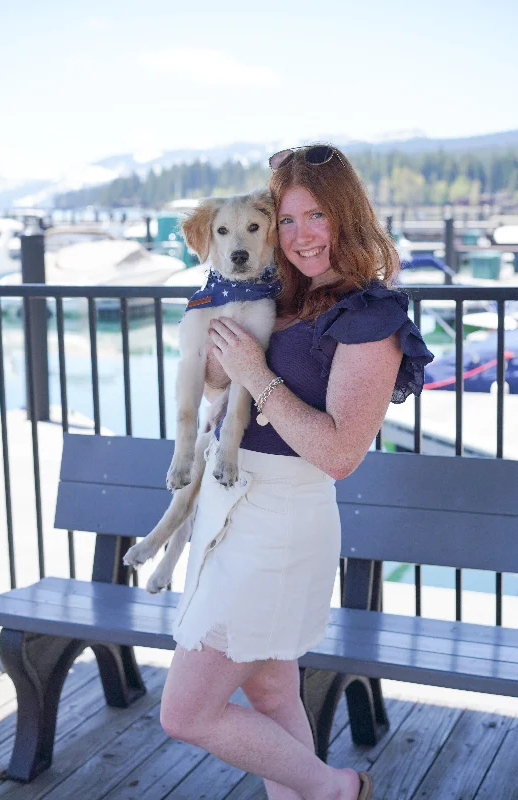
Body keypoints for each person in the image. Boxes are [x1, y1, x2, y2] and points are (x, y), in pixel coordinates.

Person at [159, 144, 434, 800]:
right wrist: (219, 364)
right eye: (285, 220)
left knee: (186, 713)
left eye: (316, 217)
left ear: (347, 216)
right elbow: (213, 380)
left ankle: (341, 788)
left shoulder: (370, 320)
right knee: (271, 691)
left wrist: (257, 374)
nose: (301, 236)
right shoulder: (272, 291)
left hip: (278, 527)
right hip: (228, 509)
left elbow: (339, 456)